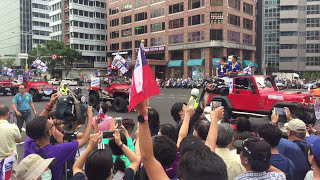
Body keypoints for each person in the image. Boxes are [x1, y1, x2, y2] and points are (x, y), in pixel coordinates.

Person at [137, 99, 228, 180]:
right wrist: (214, 120)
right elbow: (210, 145)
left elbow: (148, 158)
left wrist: (143, 114)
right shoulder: (211, 168)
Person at [24, 93, 93, 180]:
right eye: (50, 125)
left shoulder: (29, 143)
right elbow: (84, 140)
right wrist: (90, 117)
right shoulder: (57, 151)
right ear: (50, 132)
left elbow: (36, 124)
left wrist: (50, 105)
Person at [73, 132, 140, 180]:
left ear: (86, 171)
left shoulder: (79, 178)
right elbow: (135, 161)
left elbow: (77, 167)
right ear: (111, 172)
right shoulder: (120, 177)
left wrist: (90, 147)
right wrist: (120, 143)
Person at [271, 110, 310, 180]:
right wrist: (290, 118)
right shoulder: (311, 142)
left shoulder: (285, 145)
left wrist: (273, 122)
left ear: (289, 132)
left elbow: (269, 136)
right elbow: (305, 131)